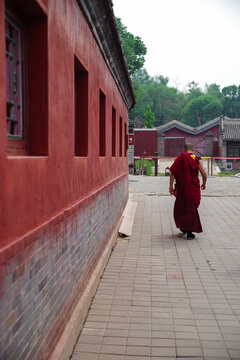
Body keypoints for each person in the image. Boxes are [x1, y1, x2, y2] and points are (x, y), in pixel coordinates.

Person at [169, 143, 207, 239]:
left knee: (180, 208)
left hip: (182, 188)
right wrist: (204, 183)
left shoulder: (179, 159)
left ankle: (184, 227)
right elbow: (204, 174)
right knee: (192, 208)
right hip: (193, 188)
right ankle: (189, 232)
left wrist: (170, 187)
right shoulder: (197, 160)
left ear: (184, 149)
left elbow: (173, 173)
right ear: (193, 149)